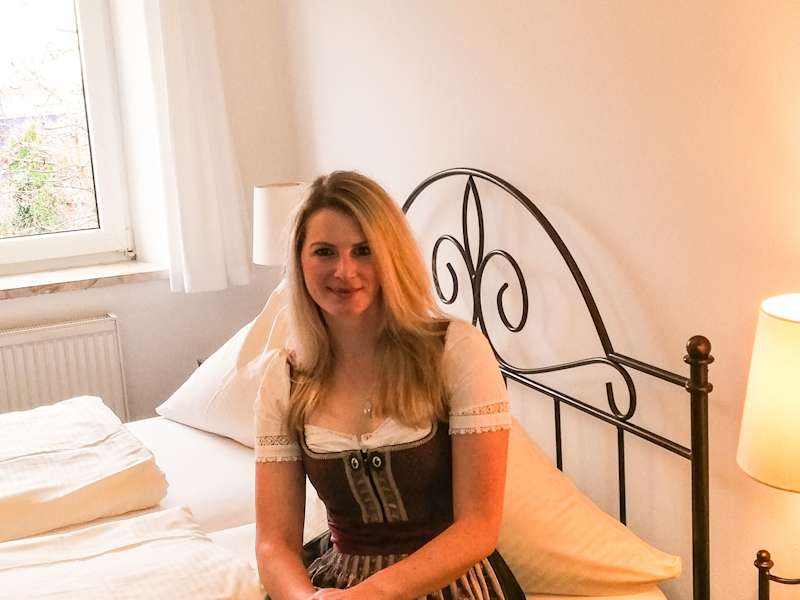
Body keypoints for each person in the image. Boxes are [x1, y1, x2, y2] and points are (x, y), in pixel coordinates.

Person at [254, 171, 524, 600]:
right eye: (324, 251)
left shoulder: (455, 351)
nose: (344, 271)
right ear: (300, 261)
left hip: (450, 583)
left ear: (391, 255)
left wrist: (369, 596)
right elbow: (274, 543)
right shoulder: (285, 377)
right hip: (335, 585)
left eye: (364, 250)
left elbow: (478, 528)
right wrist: (308, 599)